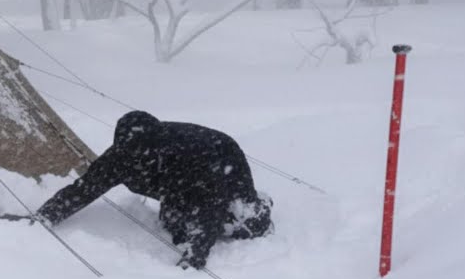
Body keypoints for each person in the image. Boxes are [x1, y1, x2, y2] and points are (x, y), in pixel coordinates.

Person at [14, 110, 273, 270]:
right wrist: (45, 217)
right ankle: (183, 211)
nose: (140, 160)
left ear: (160, 146)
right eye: (133, 155)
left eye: (148, 154)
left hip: (223, 161)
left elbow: (211, 204)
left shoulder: (189, 156)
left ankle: (258, 207)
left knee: (238, 225)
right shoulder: (120, 158)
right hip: (176, 186)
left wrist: (197, 254)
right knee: (175, 227)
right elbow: (83, 189)